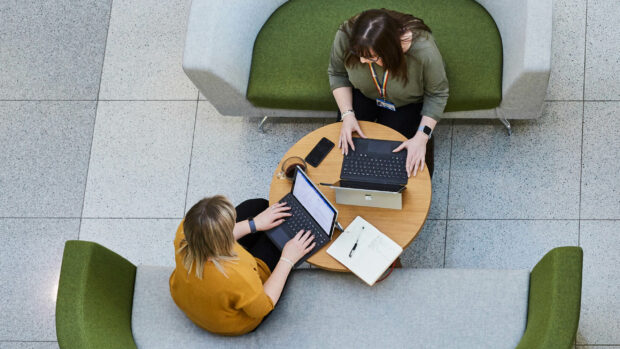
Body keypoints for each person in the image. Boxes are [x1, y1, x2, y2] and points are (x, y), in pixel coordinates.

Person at [169, 196, 315, 336]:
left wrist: (255, 223)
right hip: (234, 320)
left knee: (257, 206)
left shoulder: (185, 230)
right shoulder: (236, 275)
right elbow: (263, 307)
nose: (235, 222)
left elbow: (213, 237)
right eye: (231, 224)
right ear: (224, 240)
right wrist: (287, 259)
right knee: (278, 237)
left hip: (194, 295)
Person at [328, 9, 449, 177]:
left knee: (397, 159)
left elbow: (437, 94)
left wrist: (422, 136)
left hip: (406, 104)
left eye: (371, 57)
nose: (362, 61)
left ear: (391, 51)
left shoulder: (424, 51)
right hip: (363, 96)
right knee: (346, 148)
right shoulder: (346, 35)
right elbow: (337, 74)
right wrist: (347, 115)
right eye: (358, 54)